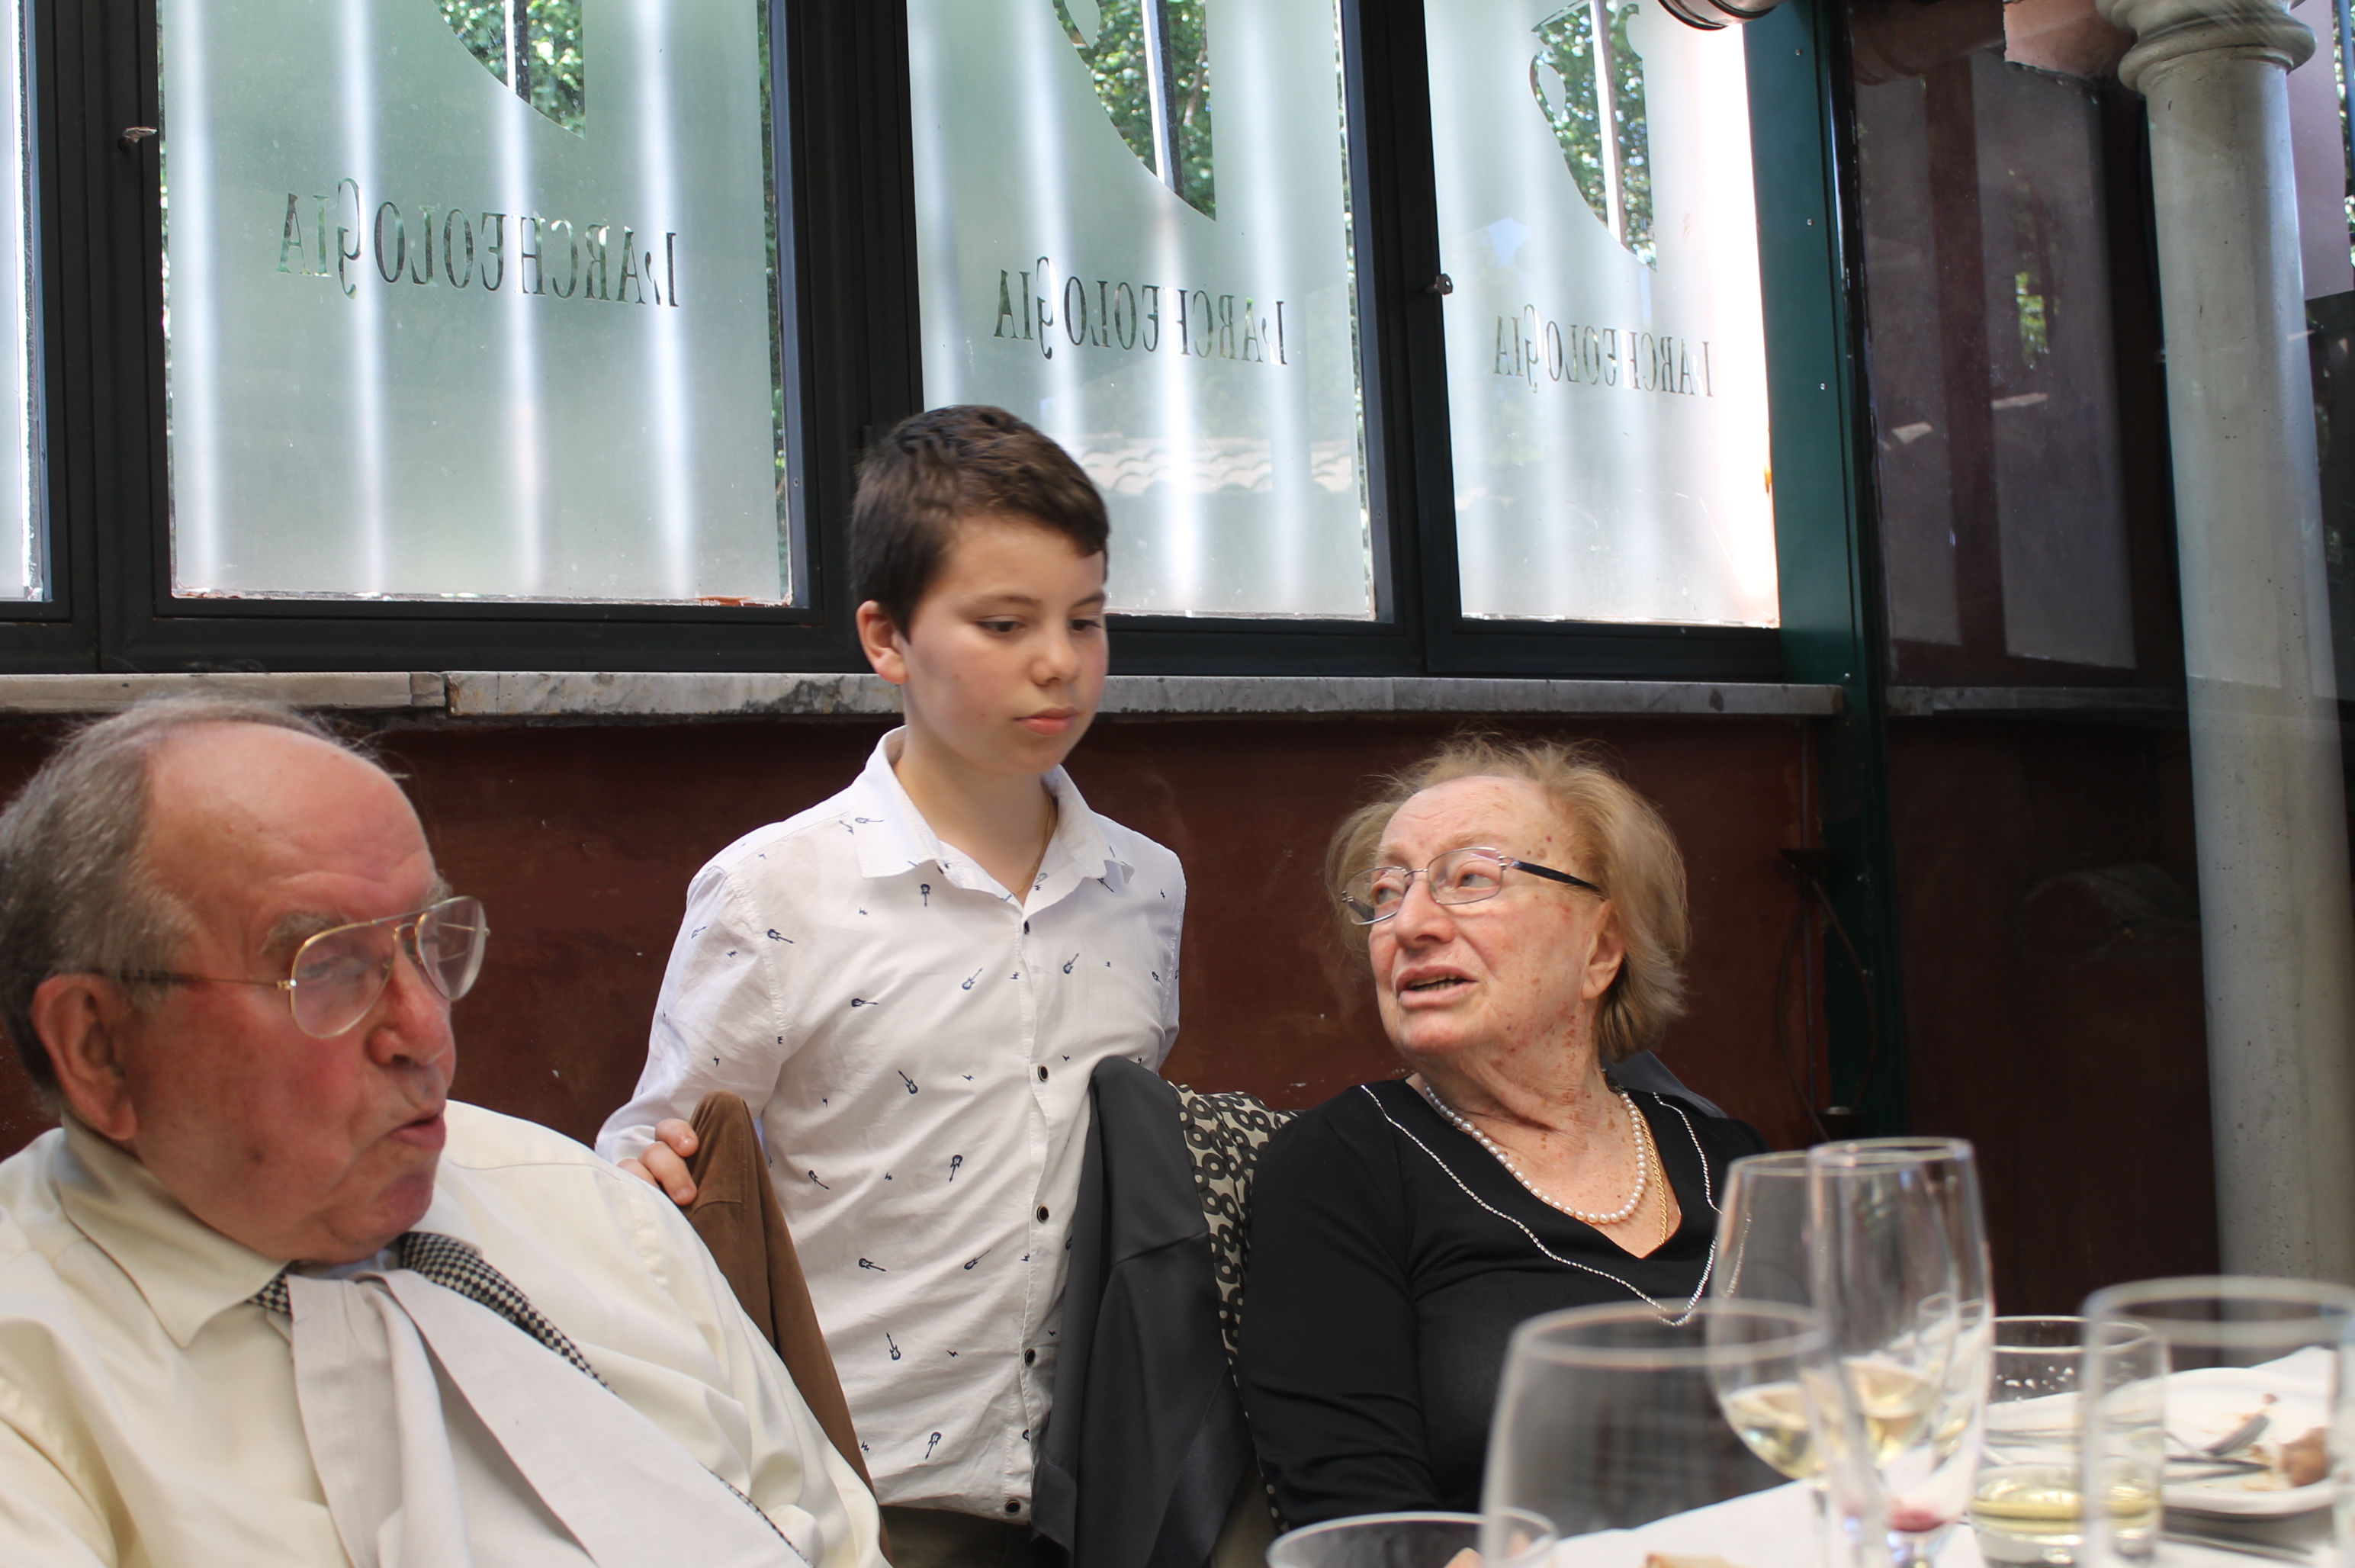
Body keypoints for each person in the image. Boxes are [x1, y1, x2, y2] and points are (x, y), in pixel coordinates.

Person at [0, 696, 887, 1568]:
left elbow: (836, 1540)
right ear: (98, 1046)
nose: (425, 1031)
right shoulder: (33, 1384)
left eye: (429, 940)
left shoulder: (585, 1209)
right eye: (328, 966)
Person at [598, 406, 1186, 1568]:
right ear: (887, 638)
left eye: (1086, 619)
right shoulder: (777, 889)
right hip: (842, 1495)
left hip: (1087, 1494)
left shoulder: (1146, 886)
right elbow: (655, 1165)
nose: (1059, 661)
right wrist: (643, 1181)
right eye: (1004, 624)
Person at [1235, 737, 1769, 1525]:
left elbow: (1859, 1435)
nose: (1410, 924)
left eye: (1471, 879)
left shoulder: (1734, 1164)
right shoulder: (1345, 1165)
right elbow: (1364, 1523)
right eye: (1386, 892)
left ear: (1601, 949)